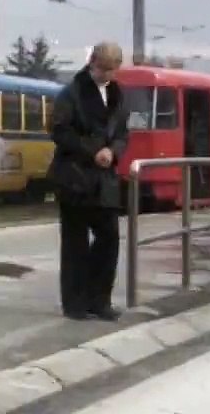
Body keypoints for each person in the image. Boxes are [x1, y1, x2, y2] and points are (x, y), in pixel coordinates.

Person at [48, 41, 129, 321]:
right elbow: (60, 131)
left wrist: (113, 151)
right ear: (92, 62)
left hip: (104, 180)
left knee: (109, 237)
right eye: (102, 69)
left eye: (112, 70)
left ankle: (99, 299)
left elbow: (123, 134)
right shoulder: (71, 93)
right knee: (75, 243)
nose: (106, 75)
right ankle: (75, 303)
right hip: (74, 177)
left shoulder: (118, 95)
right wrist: (93, 151)